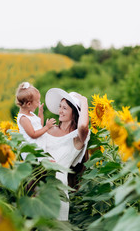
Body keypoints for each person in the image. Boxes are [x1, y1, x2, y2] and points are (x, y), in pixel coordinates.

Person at [45, 88, 90, 221]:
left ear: (74, 113)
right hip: (38, 183)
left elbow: (83, 126)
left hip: (58, 189)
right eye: (60, 107)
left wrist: (83, 100)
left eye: (64, 108)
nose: (60, 111)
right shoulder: (49, 129)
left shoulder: (76, 138)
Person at [16, 82, 56, 159]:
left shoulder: (30, 114)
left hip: (39, 146)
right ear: (28, 104)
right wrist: (47, 127)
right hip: (32, 152)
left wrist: (40, 113)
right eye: (37, 101)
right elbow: (33, 135)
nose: (38, 103)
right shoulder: (24, 118)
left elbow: (39, 126)